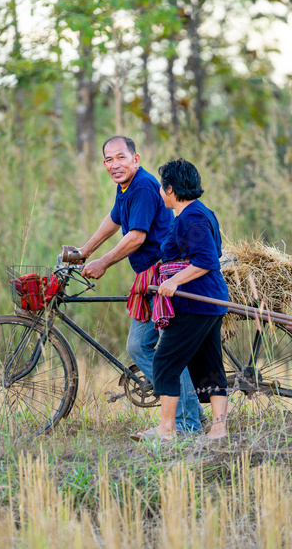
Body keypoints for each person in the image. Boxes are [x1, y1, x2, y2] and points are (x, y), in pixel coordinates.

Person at [64, 136, 203, 435]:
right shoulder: (125, 187)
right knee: (145, 346)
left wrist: (102, 262)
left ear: (136, 159)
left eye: (121, 158)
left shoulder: (141, 185)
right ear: (104, 164)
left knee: (152, 347)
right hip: (148, 276)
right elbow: (114, 220)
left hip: (161, 276)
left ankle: (186, 422)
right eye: (109, 160)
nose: (115, 165)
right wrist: (84, 252)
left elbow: (137, 237)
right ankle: (189, 414)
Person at [133, 158, 229, 443]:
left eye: (163, 188)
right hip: (210, 300)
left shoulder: (193, 217)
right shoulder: (201, 212)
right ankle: (219, 429)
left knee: (164, 363)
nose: (161, 193)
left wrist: (174, 280)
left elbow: (207, 259)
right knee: (209, 364)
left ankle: (167, 429)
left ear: (171, 189)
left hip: (195, 302)